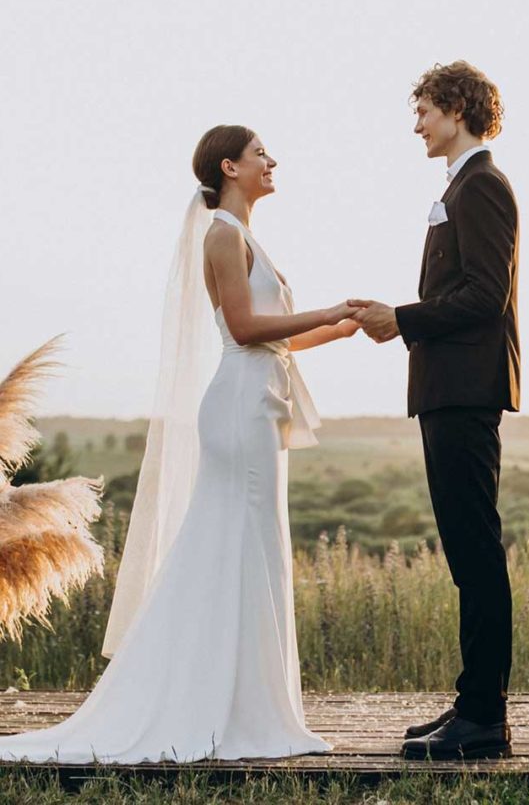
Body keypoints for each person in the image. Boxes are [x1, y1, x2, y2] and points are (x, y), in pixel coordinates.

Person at [0, 123, 359, 763]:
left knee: (254, 550)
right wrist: (327, 309)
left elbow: (276, 337)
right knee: (237, 545)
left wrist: (343, 326)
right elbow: (245, 329)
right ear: (229, 166)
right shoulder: (223, 235)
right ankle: (222, 708)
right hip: (240, 408)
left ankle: (252, 704)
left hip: (260, 406)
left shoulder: (246, 236)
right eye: (259, 154)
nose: (271, 161)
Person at [351, 61, 520, 761]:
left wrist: (402, 318)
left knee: (476, 553)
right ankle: (472, 705)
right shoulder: (461, 185)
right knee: (466, 554)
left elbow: (485, 297)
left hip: (465, 390)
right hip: (449, 390)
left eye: (422, 109)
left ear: (457, 108)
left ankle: (483, 718)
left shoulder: (482, 186)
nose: (416, 123)